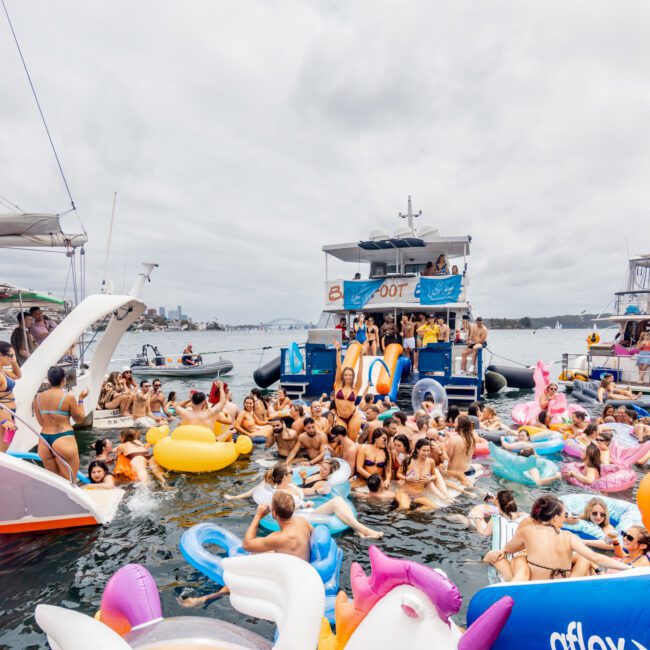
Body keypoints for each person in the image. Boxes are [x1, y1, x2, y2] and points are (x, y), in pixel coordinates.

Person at [484, 495, 630, 581]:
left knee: (514, 559)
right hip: (563, 583)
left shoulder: (528, 530)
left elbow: (509, 549)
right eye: (563, 516)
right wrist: (628, 568)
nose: (564, 519)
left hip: (537, 581)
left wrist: (515, 550)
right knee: (585, 558)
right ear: (554, 518)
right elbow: (596, 557)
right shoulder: (568, 536)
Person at [226, 462, 383, 539]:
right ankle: (364, 530)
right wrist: (237, 497)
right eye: (290, 472)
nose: (292, 474)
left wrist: (315, 492)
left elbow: (304, 492)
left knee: (338, 503)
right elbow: (286, 509)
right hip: (303, 517)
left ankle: (358, 529)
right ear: (285, 476)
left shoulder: (292, 485)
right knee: (337, 503)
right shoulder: (278, 493)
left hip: (307, 510)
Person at [34, 366, 88, 479]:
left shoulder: (38, 398)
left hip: (44, 441)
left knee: (55, 482)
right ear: (64, 380)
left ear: (49, 380)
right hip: (63, 438)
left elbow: (41, 422)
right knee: (70, 481)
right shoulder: (68, 397)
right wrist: (81, 399)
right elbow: (79, 418)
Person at [396, 438, 449, 510]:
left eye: (428, 450)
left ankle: (412, 513)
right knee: (404, 508)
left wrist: (430, 478)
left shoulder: (431, 462)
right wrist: (406, 478)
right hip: (406, 493)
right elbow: (398, 473)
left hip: (418, 495)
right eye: (423, 450)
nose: (426, 453)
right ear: (417, 450)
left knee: (434, 507)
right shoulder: (408, 461)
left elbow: (434, 475)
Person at [332, 339, 363, 441]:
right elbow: (339, 367)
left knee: (352, 440)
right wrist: (338, 350)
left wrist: (361, 356)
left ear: (352, 376)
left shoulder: (356, 388)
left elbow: (360, 372)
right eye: (346, 375)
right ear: (343, 376)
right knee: (341, 440)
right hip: (341, 417)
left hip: (353, 416)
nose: (348, 377)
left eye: (350, 375)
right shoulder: (338, 386)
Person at [0, 341, 21, 452]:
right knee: (1, 452)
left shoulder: (3, 371)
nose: (13, 358)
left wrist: (14, 362)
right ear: (1, 355)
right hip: (3, 416)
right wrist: (3, 421)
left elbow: (18, 375)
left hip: (9, 415)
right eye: (11, 355)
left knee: (4, 450)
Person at [445, 415, 475, 484]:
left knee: (438, 468)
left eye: (455, 422)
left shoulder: (453, 439)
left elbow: (447, 459)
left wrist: (441, 450)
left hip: (456, 474)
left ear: (460, 425)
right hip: (469, 471)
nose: (454, 424)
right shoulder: (472, 438)